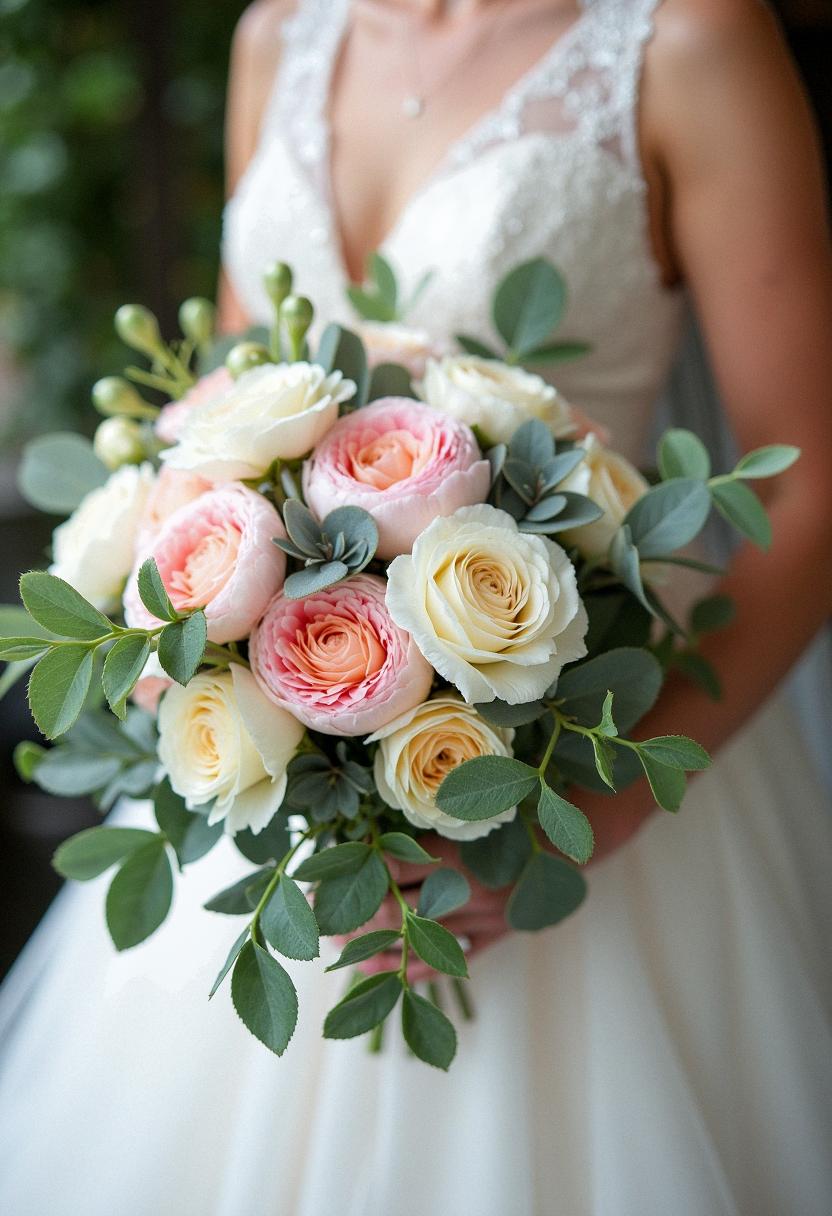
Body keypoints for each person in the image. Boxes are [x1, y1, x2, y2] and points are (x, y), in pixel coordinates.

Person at [1, 1, 831, 1213]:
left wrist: (587, 817)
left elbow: (806, 483)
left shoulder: (688, 39)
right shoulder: (276, 37)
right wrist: (206, 655)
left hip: (583, 753)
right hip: (288, 792)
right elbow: (237, 414)